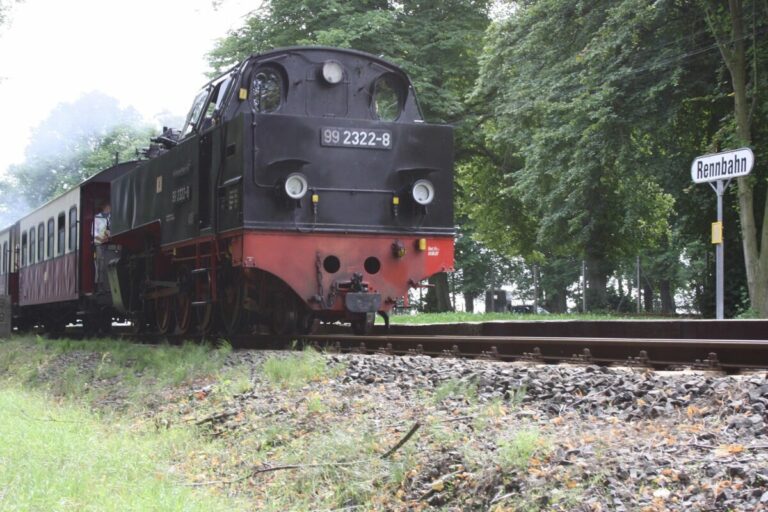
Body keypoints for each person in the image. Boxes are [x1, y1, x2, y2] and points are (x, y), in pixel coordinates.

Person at [93, 202, 111, 285]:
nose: (109, 209)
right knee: (100, 263)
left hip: (109, 243)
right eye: (108, 207)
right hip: (99, 244)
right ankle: (100, 282)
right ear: (104, 208)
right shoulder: (97, 218)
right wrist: (101, 239)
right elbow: (93, 233)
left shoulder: (111, 217)